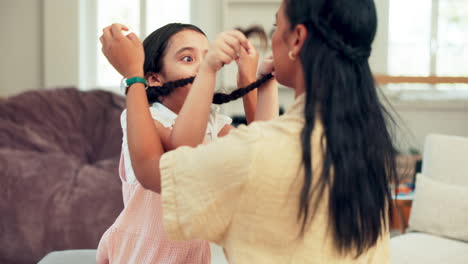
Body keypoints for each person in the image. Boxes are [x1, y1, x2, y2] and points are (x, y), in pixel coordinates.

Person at [99, 0, 397, 262]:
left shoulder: (253, 145)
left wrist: (132, 77)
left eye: (275, 26)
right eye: (189, 59)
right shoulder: (364, 141)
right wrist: (259, 83)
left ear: (296, 40)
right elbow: (261, 140)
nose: (205, 66)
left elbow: (156, 170)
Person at [96, 23, 278, 264]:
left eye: (208, 56)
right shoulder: (145, 116)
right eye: (188, 58)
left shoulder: (213, 123)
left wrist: (256, 79)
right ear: (154, 79)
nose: (204, 65)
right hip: (139, 254)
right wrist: (209, 69)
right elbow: (181, 152)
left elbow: (263, 149)